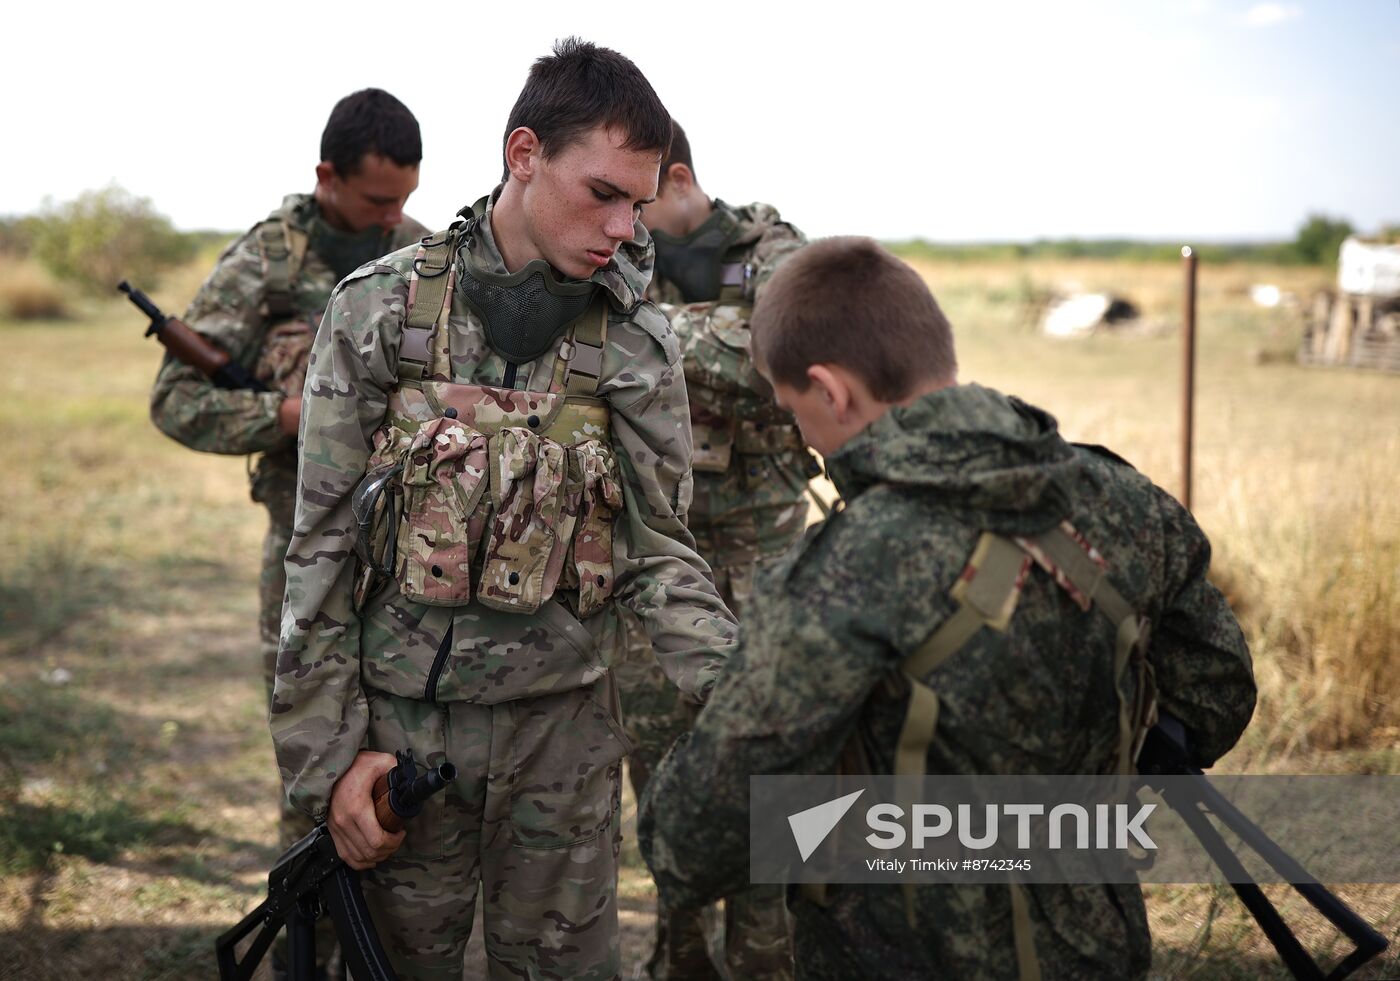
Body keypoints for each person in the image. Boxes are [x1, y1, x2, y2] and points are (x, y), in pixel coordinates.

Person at [637, 237, 1257, 980]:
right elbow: (1217, 689)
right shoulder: (1121, 499)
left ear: (830, 392)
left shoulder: (845, 568)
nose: (800, 434)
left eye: (792, 409)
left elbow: (692, 839)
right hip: (1096, 945)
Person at [270, 39, 737, 981]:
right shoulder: (379, 312)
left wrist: (753, 697)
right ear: (524, 154)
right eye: (602, 192)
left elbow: (659, 557)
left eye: (639, 204)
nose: (623, 228)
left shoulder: (638, 344)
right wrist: (329, 765)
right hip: (405, 738)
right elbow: (318, 549)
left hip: (563, 738)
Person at [149, 87, 426, 980]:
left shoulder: (419, 252)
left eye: (403, 198)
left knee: (400, 761)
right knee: (315, 762)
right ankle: (306, 944)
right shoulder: (267, 260)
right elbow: (176, 400)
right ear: (325, 177)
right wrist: (288, 414)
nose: (392, 217)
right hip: (306, 550)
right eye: (377, 201)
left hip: (407, 557)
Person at [613, 122, 810, 979]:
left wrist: (646, 329)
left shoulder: (774, 250)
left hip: (764, 565)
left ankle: (767, 965)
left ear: (679, 177)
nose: (623, 220)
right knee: (664, 786)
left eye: (637, 198)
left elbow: (780, 354)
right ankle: (679, 964)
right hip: (658, 560)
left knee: (772, 787)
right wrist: (710, 339)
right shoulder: (621, 250)